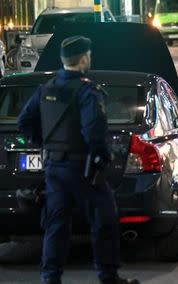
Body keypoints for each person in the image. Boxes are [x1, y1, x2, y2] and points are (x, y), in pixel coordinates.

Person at [17, 36, 139, 284]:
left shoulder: (46, 88)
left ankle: (50, 278)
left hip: (54, 168)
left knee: (56, 224)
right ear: (84, 59)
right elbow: (93, 129)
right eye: (89, 56)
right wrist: (102, 156)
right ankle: (108, 276)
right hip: (84, 168)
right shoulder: (87, 91)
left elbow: (24, 122)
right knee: (103, 220)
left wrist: (47, 144)